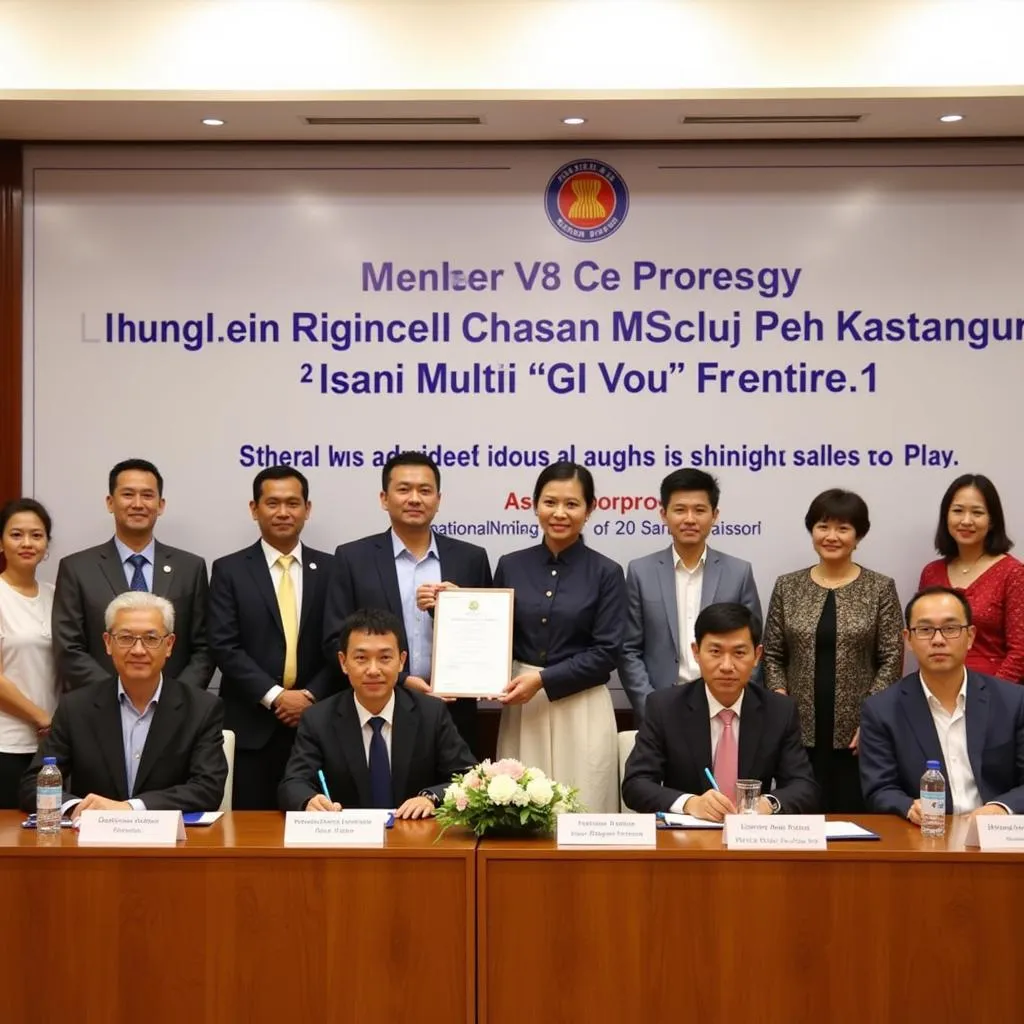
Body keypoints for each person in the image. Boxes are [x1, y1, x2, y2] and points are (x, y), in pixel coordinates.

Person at [322, 451, 491, 752]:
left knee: (452, 796)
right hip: (378, 706)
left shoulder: (470, 559)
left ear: (438, 499)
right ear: (384, 498)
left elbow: (488, 636)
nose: (415, 498)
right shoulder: (352, 558)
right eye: (404, 489)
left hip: (454, 711)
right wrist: (401, 679)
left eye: (425, 491)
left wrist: (455, 609)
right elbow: (335, 639)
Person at [20, 592, 227, 816]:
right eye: (126, 638)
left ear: (169, 645)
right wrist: (77, 807)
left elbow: (208, 789)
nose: (138, 650)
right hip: (92, 843)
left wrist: (130, 807)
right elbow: (34, 784)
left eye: (150, 638)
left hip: (169, 844)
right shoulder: (76, 707)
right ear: (108, 643)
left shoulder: (202, 708)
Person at [762, 488, 903, 813]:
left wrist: (871, 720)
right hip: (797, 731)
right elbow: (772, 654)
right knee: (798, 815)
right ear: (812, 531)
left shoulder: (880, 587)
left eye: (843, 528)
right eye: (823, 526)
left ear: (858, 535)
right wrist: (781, 704)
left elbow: (892, 658)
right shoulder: (788, 586)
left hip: (857, 734)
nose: (832, 536)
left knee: (851, 819)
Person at [494, 462, 623, 813]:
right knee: (519, 810)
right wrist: (449, 607)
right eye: (550, 502)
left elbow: (607, 653)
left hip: (582, 707)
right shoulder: (510, 564)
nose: (559, 513)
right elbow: (492, 633)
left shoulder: (607, 572)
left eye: (572, 504)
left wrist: (543, 679)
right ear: (534, 505)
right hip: (524, 706)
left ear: (590, 509)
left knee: (584, 809)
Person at [208, 467, 338, 809]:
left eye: (293, 503)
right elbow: (224, 644)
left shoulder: (333, 569)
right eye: (273, 503)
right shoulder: (229, 570)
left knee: (318, 826)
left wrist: (309, 696)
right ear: (255, 509)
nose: (283, 512)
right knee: (250, 834)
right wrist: (277, 696)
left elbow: (342, 645)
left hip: (318, 722)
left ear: (307, 509)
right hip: (252, 726)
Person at [622, 603, 818, 818]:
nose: (726, 665)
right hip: (686, 841)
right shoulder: (664, 707)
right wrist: (690, 803)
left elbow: (803, 786)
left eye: (739, 653)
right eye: (715, 651)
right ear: (696, 652)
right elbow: (635, 785)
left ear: (757, 655)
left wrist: (767, 804)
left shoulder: (779, 711)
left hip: (752, 839)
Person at [278, 608, 475, 815]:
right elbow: (293, 783)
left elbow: (468, 777)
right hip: (348, 839)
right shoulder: (318, 719)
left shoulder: (431, 713)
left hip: (413, 836)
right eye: (361, 658)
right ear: (343, 662)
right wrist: (309, 800)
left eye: (384, 658)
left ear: (401, 661)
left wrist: (431, 798)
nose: (373, 670)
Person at [860, 586, 1024, 820]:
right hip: (926, 837)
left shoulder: (1014, 701)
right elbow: (879, 789)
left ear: (970, 636)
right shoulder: (881, 710)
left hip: (997, 838)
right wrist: (908, 806)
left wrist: (1000, 808)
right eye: (925, 629)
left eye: (950, 628)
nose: (938, 640)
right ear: (908, 639)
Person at [52, 458, 213, 690]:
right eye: (128, 494)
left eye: (147, 495)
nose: (138, 504)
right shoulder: (77, 568)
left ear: (161, 504)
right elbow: (69, 648)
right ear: (110, 502)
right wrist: (117, 698)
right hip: (99, 709)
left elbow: (204, 648)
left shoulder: (190, 568)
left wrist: (175, 698)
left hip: (175, 713)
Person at [620, 468, 762, 721]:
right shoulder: (640, 571)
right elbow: (629, 649)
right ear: (664, 514)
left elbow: (751, 647)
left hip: (723, 708)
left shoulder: (739, 572)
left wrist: (732, 703)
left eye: (699, 510)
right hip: (660, 707)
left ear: (714, 515)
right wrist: (651, 706)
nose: (689, 519)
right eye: (680, 509)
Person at [918, 474, 1024, 682]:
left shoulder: (1013, 573)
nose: (966, 521)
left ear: (992, 521)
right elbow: (922, 638)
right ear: (946, 516)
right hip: (937, 693)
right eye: (958, 511)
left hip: (996, 696)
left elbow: (1020, 652)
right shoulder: (931, 573)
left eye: (977, 512)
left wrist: (991, 698)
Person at [0, 499, 59, 809]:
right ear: (1, 541)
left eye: (36, 535)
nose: (27, 543)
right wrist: (41, 718)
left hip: (51, 745)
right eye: (16, 534)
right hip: (7, 743)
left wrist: (53, 728)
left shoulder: (55, 594)